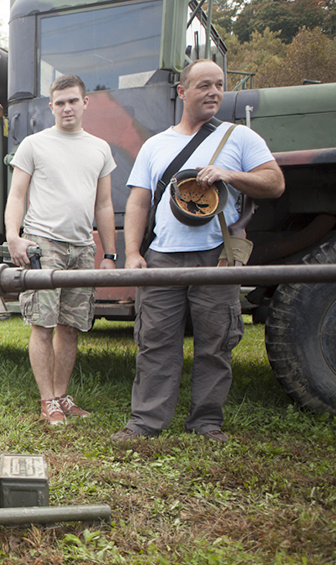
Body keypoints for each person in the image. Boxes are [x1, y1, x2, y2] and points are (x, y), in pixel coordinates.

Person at [112, 59, 284, 443]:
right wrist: (133, 253)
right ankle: (145, 423)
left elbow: (274, 183)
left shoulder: (239, 137)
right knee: (155, 342)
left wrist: (229, 174)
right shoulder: (156, 145)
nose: (214, 92)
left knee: (216, 343)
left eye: (219, 85)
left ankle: (206, 423)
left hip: (218, 256)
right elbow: (138, 201)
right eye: (204, 85)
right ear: (182, 91)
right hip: (162, 257)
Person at [4, 74, 117, 426]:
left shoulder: (100, 148)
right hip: (44, 244)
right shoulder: (34, 145)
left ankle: (62, 396)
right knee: (43, 324)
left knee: (70, 327)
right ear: (51, 106)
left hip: (82, 247)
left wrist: (109, 254)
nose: (67, 108)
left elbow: (104, 204)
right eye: (60, 102)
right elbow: (17, 195)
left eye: (73, 101)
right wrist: (13, 237)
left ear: (85, 103)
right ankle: (47, 401)